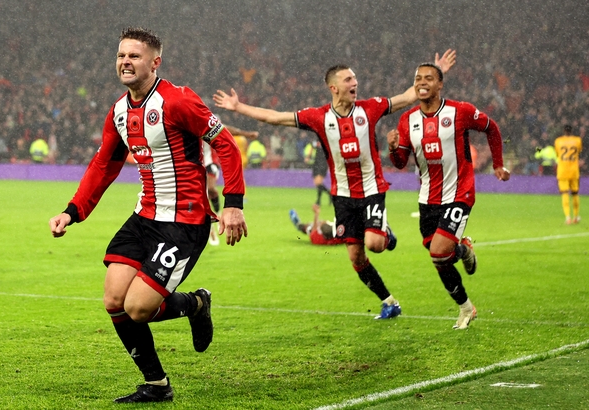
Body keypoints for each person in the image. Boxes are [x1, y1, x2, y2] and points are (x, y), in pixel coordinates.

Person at [49, 28, 247, 404]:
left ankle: (196, 303)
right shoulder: (119, 111)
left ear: (155, 62)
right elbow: (103, 164)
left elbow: (225, 143)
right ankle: (156, 384)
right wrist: (72, 212)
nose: (125, 61)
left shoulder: (178, 101)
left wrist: (233, 203)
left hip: (184, 222)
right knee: (113, 300)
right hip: (144, 217)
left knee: (138, 308)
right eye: (121, 55)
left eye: (134, 56)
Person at [214, 49, 456, 320]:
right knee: (356, 257)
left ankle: (385, 233)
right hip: (342, 196)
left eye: (355, 79)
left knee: (375, 244)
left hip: (372, 189)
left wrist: (435, 72)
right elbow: (275, 117)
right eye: (349, 80)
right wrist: (239, 107)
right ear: (334, 87)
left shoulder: (370, 108)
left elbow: (407, 96)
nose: (355, 84)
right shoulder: (318, 117)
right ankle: (389, 302)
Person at [387, 62, 510, 329]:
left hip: (459, 192)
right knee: (439, 258)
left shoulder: (460, 111)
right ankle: (466, 294)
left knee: (439, 252)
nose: (422, 82)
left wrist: (498, 163)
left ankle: (465, 301)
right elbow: (399, 162)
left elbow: (492, 127)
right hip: (427, 197)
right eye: (418, 78)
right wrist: (393, 148)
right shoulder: (408, 120)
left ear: (440, 84)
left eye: (428, 78)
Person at [204, 125, 258, 246]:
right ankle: (208, 227)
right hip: (193, 164)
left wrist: (247, 134)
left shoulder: (203, 121)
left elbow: (225, 129)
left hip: (210, 163)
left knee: (211, 189)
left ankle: (217, 214)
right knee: (202, 196)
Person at [554, 124, 582, 224]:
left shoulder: (558, 141)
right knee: (575, 193)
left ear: (563, 130)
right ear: (571, 130)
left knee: (565, 193)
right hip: (574, 170)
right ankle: (576, 216)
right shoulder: (577, 140)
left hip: (563, 170)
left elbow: (558, 154)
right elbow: (578, 151)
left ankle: (568, 217)